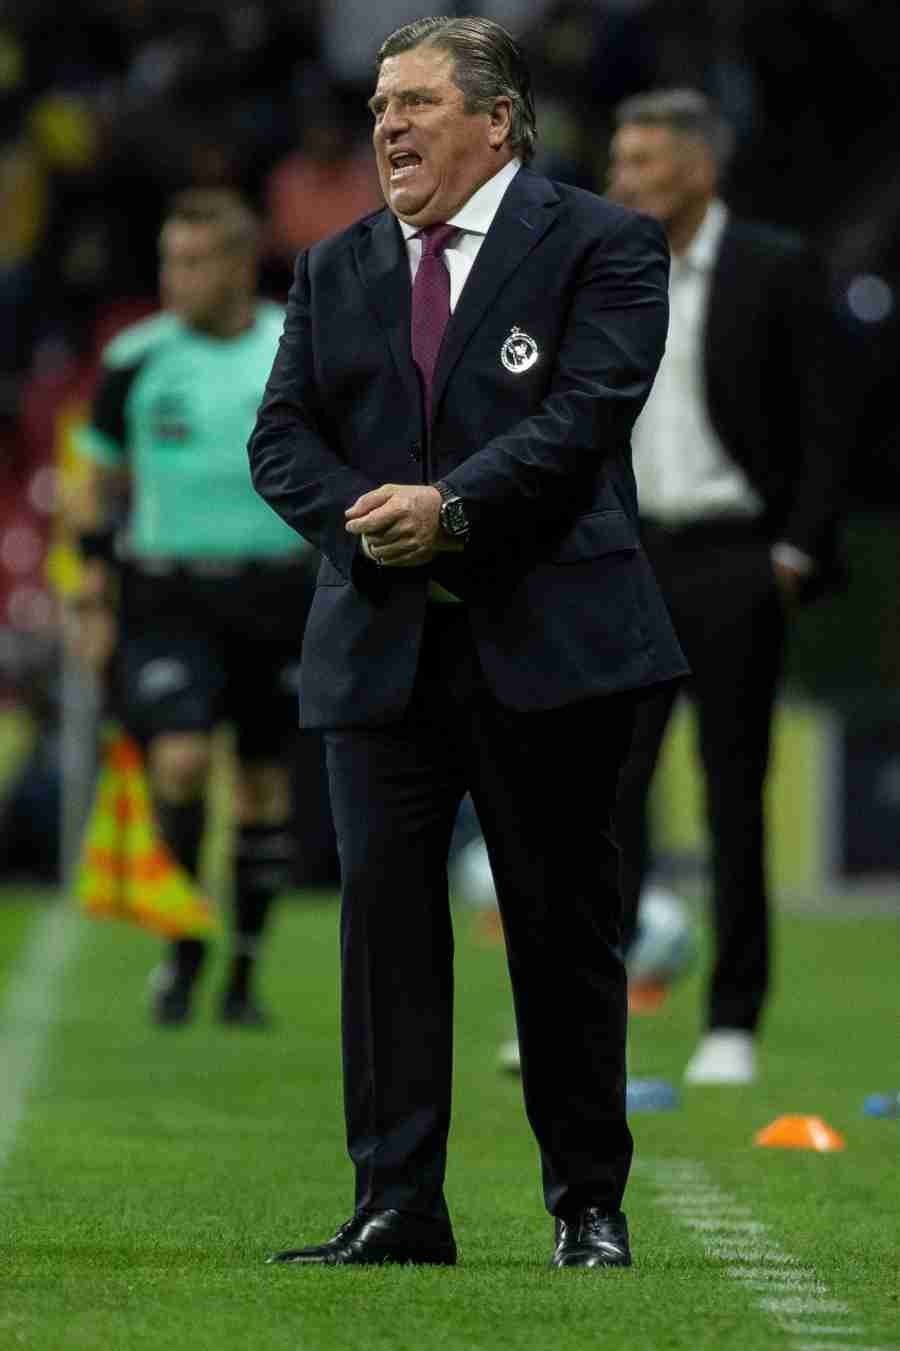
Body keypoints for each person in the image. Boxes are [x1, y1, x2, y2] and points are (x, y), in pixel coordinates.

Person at [248, 16, 686, 1269]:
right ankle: (396, 1206)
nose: (388, 123)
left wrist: (455, 510)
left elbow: (590, 413)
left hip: (551, 634)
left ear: (497, 121)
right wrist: (365, 523)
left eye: (420, 102)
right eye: (382, 102)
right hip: (381, 643)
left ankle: (587, 1205)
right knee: (383, 932)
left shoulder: (603, 242)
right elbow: (281, 438)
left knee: (560, 928)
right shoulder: (334, 268)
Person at [607, 89, 845, 1085]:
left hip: (736, 558)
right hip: (629, 560)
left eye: (647, 164)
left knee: (731, 795)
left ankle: (732, 1022)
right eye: (620, 162)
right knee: (607, 794)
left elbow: (830, 420)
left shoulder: (775, 266)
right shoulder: (607, 270)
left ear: (701, 169)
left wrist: (793, 551)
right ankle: (590, 1021)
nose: (624, 181)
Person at [68, 188, 319, 1028]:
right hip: (169, 591)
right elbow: (97, 486)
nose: (175, 278)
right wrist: (92, 598)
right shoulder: (135, 358)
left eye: (194, 261)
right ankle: (182, 950)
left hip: (278, 590)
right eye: (169, 260)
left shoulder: (296, 344)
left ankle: (242, 974)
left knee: (261, 787)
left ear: (241, 265)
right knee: (177, 762)